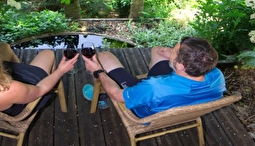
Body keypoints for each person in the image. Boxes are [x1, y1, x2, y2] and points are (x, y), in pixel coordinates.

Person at [82, 37, 226, 117]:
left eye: (174, 51)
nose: (171, 50)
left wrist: (98, 72)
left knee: (102, 57)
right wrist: (173, 57)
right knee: (158, 50)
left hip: (145, 106)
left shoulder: (153, 87)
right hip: (176, 97)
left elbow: (117, 95)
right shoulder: (217, 76)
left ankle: (100, 97)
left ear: (181, 66)